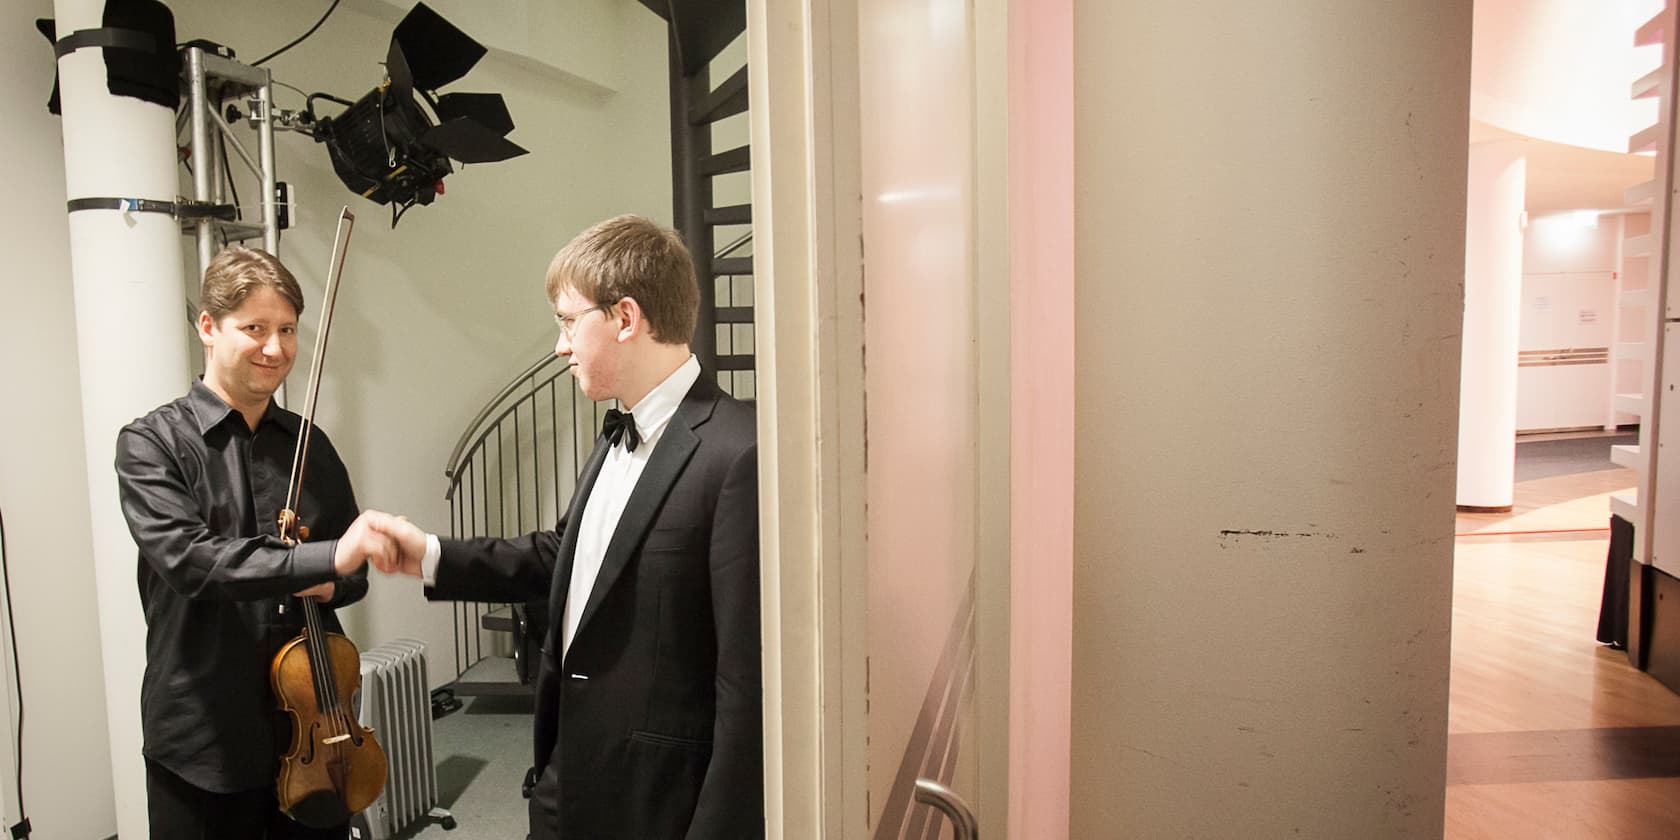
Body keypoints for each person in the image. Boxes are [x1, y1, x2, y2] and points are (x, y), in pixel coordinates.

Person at [367, 214, 763, 839]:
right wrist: (434, 554)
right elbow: (567, 556)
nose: (560, 346)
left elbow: (746, 689)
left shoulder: (740, 451)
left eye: (568, 320)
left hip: (655, 801)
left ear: (625, 318)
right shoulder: (616, 433)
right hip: (566, 777)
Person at [115, 245, 394, 839]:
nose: (276, 349)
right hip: (204, 732)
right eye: (255, 329)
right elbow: (192, 562)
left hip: (317, 726)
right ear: (209, 327)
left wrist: (333, 574)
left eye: (288, 329)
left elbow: (353, 574)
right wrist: (312, 561)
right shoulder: (151, 444)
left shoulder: (309, 443)